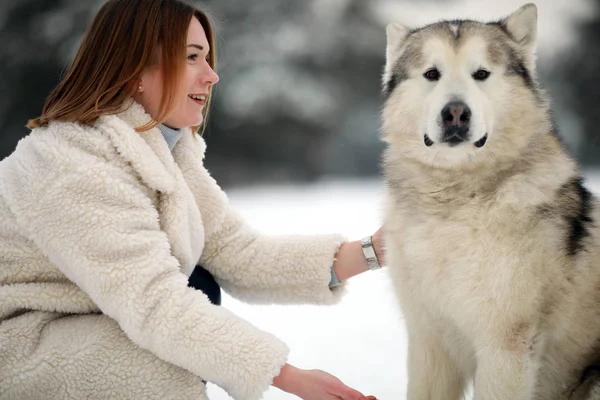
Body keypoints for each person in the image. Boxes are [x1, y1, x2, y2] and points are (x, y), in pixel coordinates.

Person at [0, 1, 385, 399]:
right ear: (134, 71)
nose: (212, 75)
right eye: (191, 58)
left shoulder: (162, 152)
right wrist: (288, 376)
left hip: (81, 322)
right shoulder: (73, 164)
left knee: (198, 287)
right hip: (22, 342)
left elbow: (240, 252)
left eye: (207, 58)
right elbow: (155, 303)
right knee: (163, 363)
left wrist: (375, 251)